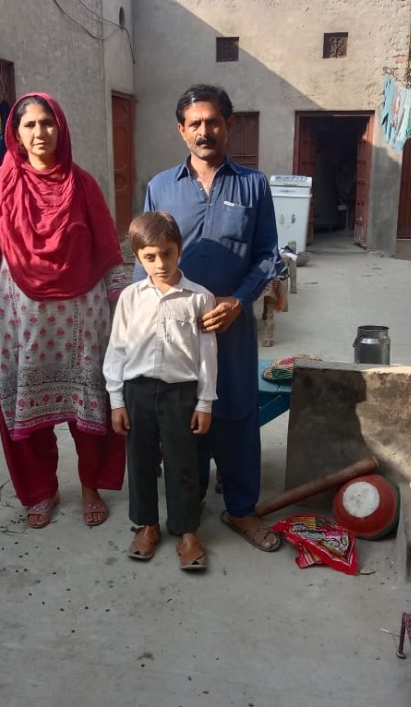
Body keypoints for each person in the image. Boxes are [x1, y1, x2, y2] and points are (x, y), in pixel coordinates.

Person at [0, 92, 127, 529]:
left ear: (61, 128)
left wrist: (126, 313)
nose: (39, 133)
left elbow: (108, 252)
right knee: (26, 411)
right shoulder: (1, 186)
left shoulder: (82, 184)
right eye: (29, 125)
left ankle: (90, 485)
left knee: (91, 405)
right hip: (20, 321)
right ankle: (41, 491)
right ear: (15, 133)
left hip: (83, 320)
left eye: (47, 123)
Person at [140, 84, 282, 552]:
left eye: (213, 121)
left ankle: (241, 509)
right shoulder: (160, 187)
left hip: (233, 323)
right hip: (179, 332)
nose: (205, 131)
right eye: (195, 123)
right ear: (182, 131)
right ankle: (189, 508)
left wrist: (240, 300)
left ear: (229, 125)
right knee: (184, 417)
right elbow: (148, 255)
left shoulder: (253, 185)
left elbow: (266, 256)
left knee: (238, 412)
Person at [104, 211, 218, 570]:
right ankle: (147, 525)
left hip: (181, 393)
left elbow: (207, 355)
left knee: (183, 461)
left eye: (167, 253)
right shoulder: (130, 297)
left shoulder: (199, 298)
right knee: (139, 460)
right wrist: (116, 399)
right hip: (137, 391)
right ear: (138, 257)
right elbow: (117, 348)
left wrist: (204, 402)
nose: (160, 263)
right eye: (150, 257)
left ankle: (186, 531)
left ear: (179, 250)